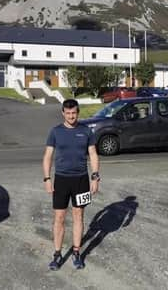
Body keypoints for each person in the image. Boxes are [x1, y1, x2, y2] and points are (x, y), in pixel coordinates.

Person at [42, 98, 100, 270]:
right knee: (59, 217)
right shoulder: (55, 132)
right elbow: (47, 157)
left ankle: (76, 252)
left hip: (81, 180)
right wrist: (47, 178)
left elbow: (94, 155)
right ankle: (57, 254)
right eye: (67, 113)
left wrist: (95, 177)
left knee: (78, 216)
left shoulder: (86, 131)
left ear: (78, 112)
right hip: (61, 179)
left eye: (74, 113)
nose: (71, 116)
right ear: (63, 113)